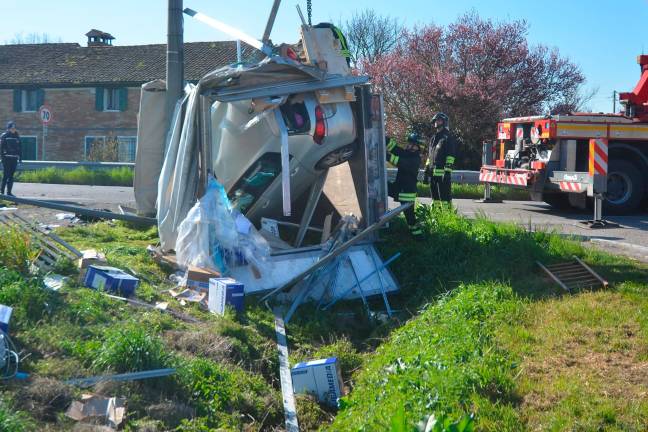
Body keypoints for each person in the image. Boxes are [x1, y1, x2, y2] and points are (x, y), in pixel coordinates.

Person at [387, 132, 424, 236]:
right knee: (382, 187)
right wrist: (384, 139)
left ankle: (418, 238)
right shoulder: (408, 154)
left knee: (411, 219)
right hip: (399, 189)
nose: (408, 145)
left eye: (411, 144)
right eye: (408, 143)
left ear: (417, 147)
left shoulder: (415, 159)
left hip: (406, 194)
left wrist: (385, 155)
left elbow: (399, 161)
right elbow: (395, 149)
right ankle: (415, 234)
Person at [425, 113, 457, 205]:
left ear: (444, 122)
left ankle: (447, 218)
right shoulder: (433, 139)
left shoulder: (447, 137)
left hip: (442, 176)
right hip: (432, 175)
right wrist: (427, 170)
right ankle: (436, 216)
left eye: (439, 120)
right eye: (435, 120)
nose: (436, 122)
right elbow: (430, 156)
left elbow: (450, 156)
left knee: (445, 199)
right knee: (435, 200)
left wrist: (447, 172)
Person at [1, 121, 22, 196]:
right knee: (6, 175)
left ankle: (9, 193)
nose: (13, 129)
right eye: (12, 128)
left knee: (11, 176)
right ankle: (2, 193)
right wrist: (2, 158)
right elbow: (1, 148)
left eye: (14, 128)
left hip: (14, 159)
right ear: (8, 128)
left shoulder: (17, 136)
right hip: (6, 159)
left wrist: (20, 158)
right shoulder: (4, 136)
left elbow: (20, 148)